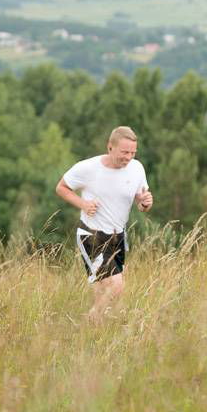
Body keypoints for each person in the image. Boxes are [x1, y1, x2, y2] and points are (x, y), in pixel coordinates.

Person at [55, 126, 153, 321]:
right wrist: (83, 204)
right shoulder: (88, 168)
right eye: (124, 152)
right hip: (92, 235)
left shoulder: (136, 168)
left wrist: (144, 203)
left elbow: (141, 203)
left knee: (102, 291)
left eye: (133, 152)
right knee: (116, 287)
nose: (128, 157)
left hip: (118, 237)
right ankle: (87, 323)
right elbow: (61, 187)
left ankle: (94, 336)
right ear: (110, 147)